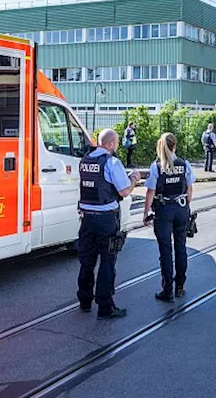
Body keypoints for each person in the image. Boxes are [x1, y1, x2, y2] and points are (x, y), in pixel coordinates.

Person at [77, 128, 141, 319]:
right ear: (111, 144)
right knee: (107, 262)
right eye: (117, 143)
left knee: (86, 262)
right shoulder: (112, 162)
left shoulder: (85, 161)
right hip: (105, 219)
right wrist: (134, 179)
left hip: (86, 219)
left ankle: (85, 301)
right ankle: (105, 307)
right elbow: (123, 191)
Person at [143, 132, 195, 302]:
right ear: (175, 146)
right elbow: (189, 188)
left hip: (164, 211)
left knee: (165, 251)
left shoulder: (156, 166)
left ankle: (167, 291)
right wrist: (186, 206)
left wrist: (146, 213)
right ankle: (180, 286)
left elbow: (150, 191)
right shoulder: (184, 164)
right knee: (181, 247)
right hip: (181, 209)